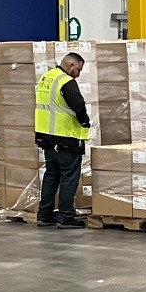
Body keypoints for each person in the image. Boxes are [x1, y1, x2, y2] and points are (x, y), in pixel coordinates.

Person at [33, 51, 92, 228]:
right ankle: (65, 217)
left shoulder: (46, 78)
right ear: (71, 65)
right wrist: (85, 122)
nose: (78, 74)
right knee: (69, 178)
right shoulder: (66, 81)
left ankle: (44, 215)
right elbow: (78, 106)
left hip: (46, 138)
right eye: (78, 70)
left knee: (51, 176)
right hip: (66, 137)